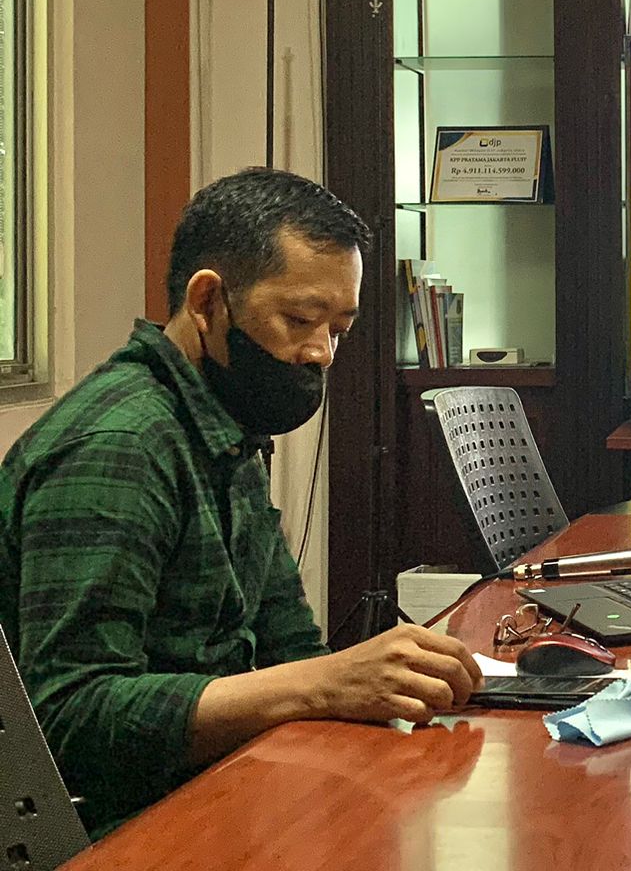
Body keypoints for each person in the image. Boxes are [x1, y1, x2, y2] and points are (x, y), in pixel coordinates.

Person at [0, 168, 483, 836]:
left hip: (216, 785)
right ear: (208, 302)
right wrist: (324, 684)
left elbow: (291, 648)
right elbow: (72, 717)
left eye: (339, 329)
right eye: (300, 320)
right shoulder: (121, 445)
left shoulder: (223, 424)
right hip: (121, 826)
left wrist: (376, 680)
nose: (321, 353)